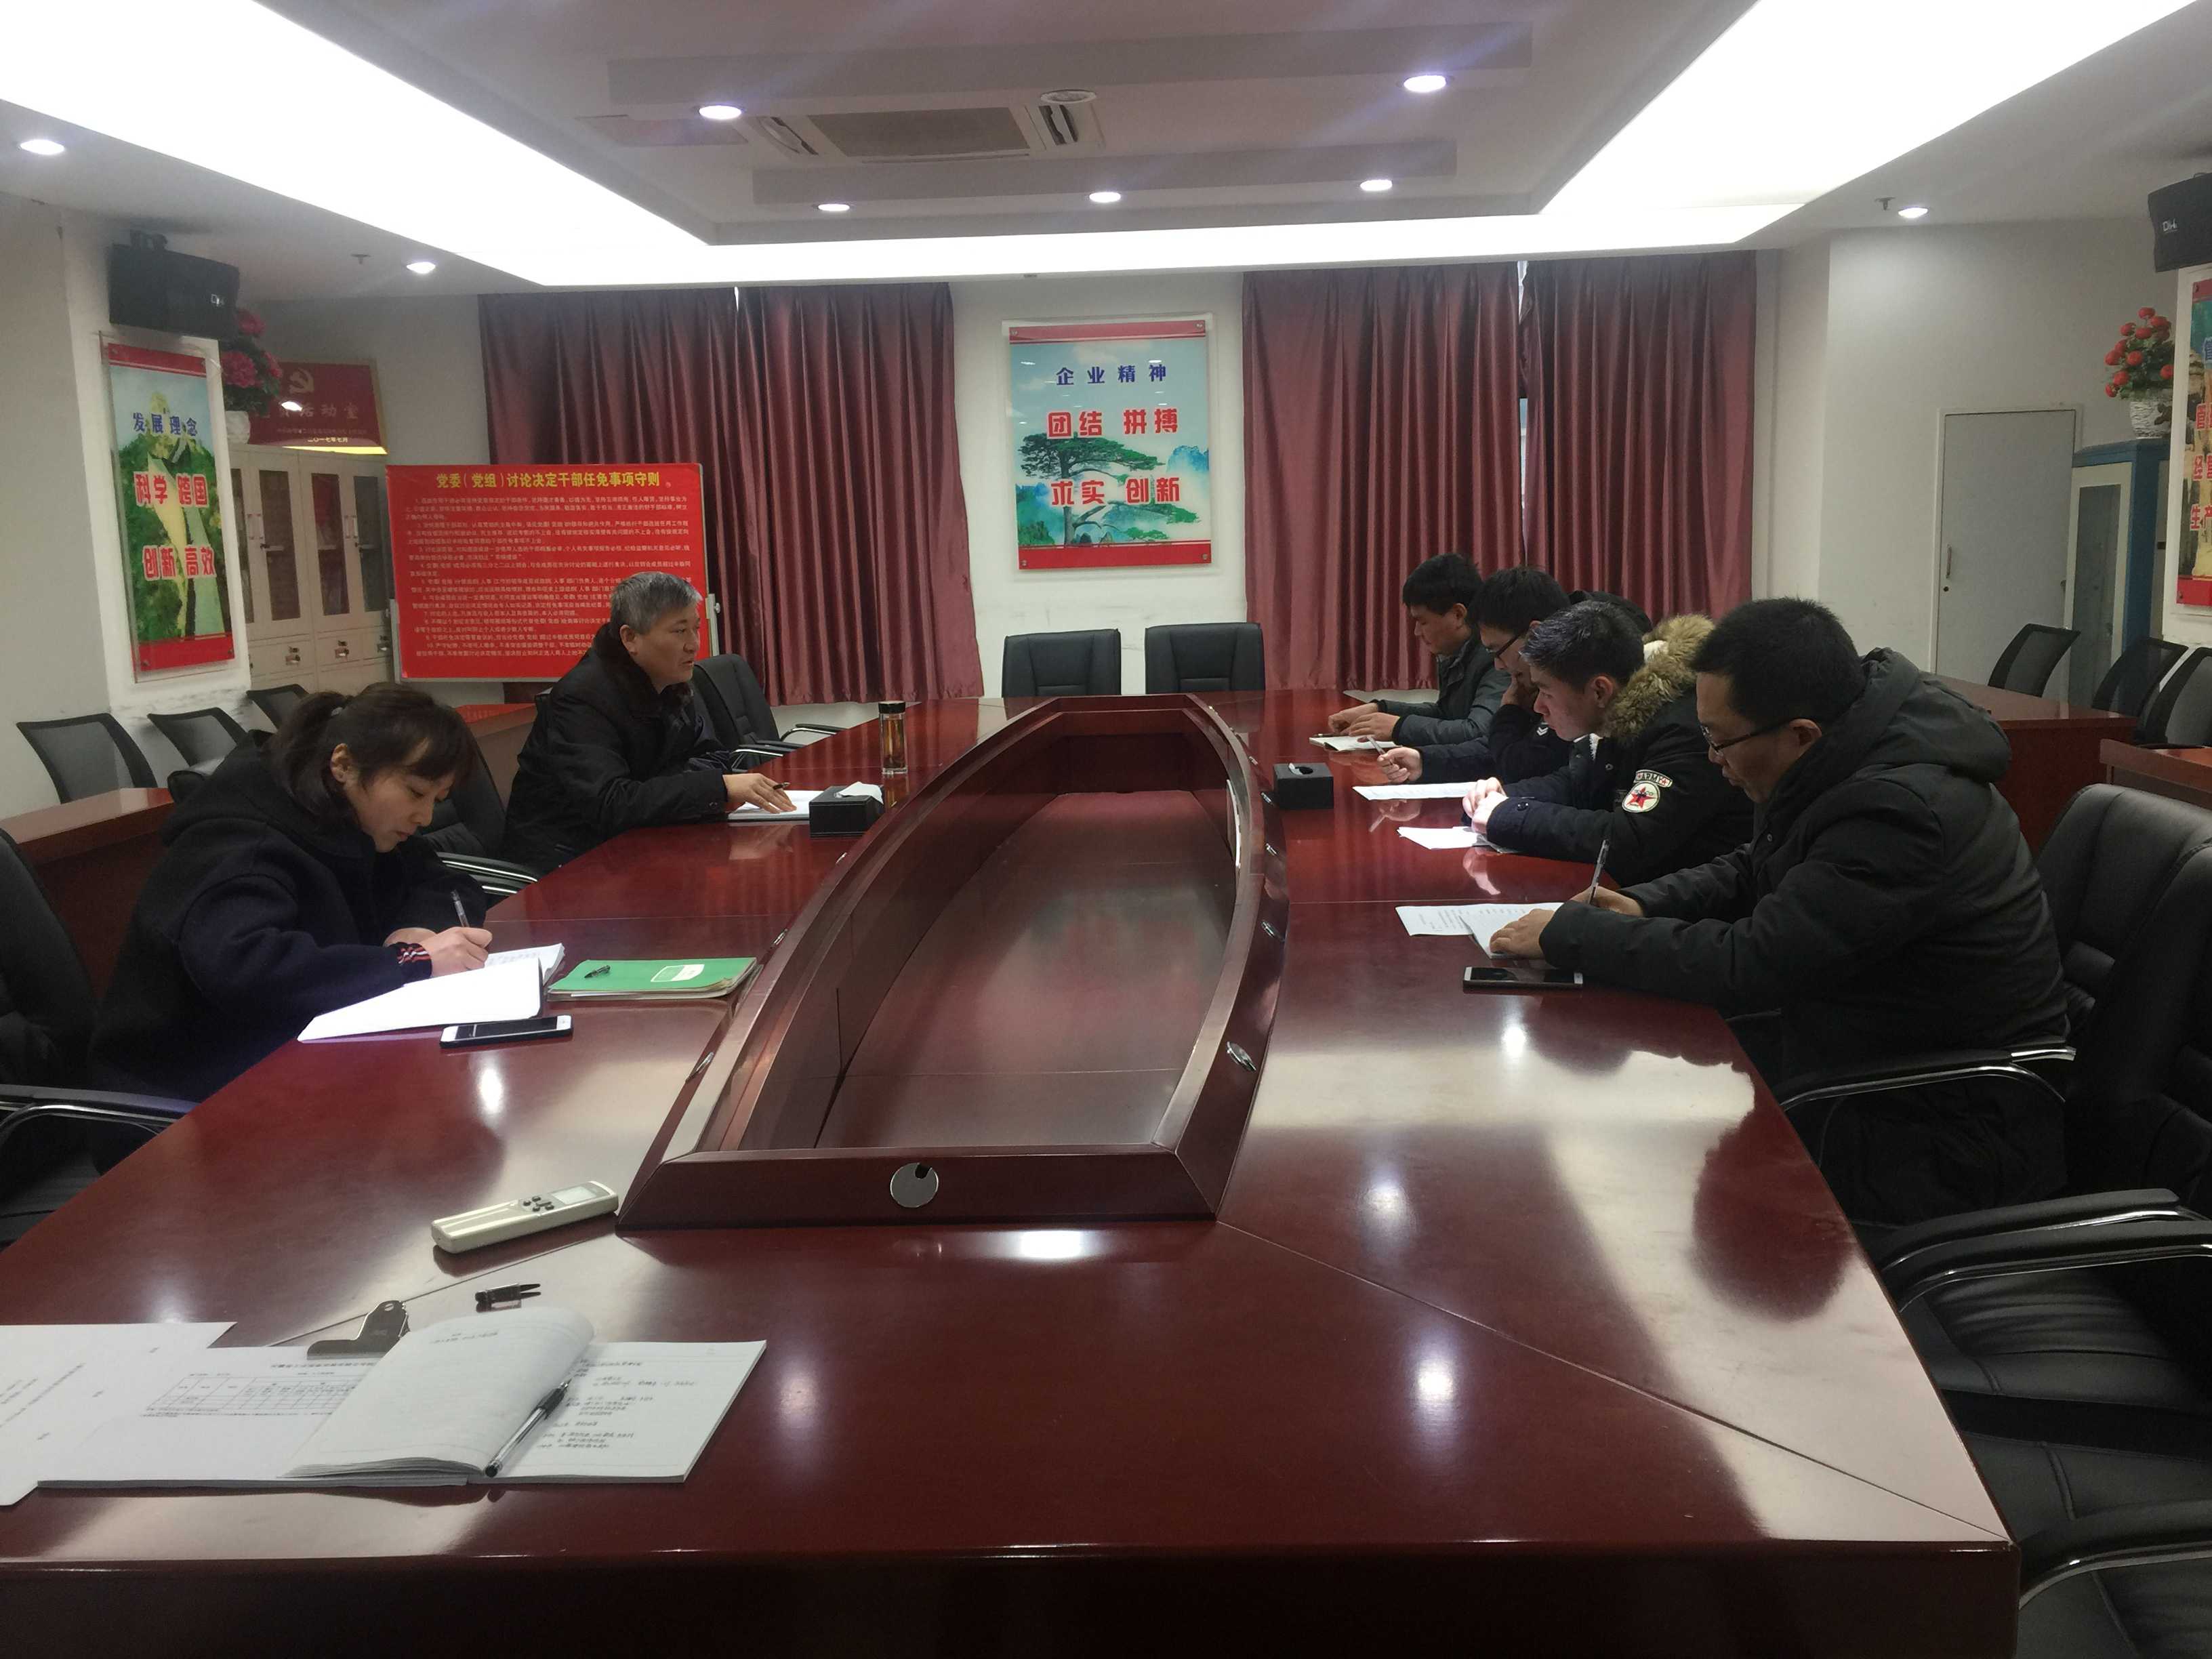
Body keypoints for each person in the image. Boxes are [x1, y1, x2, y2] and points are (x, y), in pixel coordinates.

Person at [1489, 598, 2070, 1224]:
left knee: (1640, 1193)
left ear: (1800, 734)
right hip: (1858, 1060)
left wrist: (1579, 934)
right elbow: (1755, 864)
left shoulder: (1899, 812)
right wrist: (1641, 902)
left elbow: (1752, 963)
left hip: (1939, 1128)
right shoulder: (1841, 755)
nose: (1711, 758)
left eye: (1719, 740)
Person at [91, 685, 496, 1101]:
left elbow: (446, 884)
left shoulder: (354, 819)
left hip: (305, 1058)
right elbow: (249, 972)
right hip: (195, 1093)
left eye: (437, 799)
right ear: (344, 765)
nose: (425, 816)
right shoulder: (241, 842)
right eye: (415, 792)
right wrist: (410, 961)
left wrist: (418, 929)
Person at [501, 572, 794, 874]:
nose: (693, 645)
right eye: (679, 631)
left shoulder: (670, 680)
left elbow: (714, 755)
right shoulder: (581, 698)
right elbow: (611, 803)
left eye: (695, 629)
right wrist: (716, 787)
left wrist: (667, 788)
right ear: (631, 638)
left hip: (643, 839)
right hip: (571, 860)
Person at [1464, 600, 1750, 884]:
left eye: (1546, 693)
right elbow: (1578, 782)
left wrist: (1511, 816)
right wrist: (1504, 795)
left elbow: (1629, 839)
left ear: (1599, 691)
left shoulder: (1681, 727)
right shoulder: (1622, 708)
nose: (1538, 707)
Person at [1376, 565, 1578, 787]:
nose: (1498, 666)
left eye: (1498, 651)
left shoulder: (1577, 687)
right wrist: (1425, 761)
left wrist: (1509, 713)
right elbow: (1495, 752)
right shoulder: (1530, 683)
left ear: (1535, 635)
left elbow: (1525, 769)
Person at [1326, 553, 1508, 747]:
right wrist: (1380, 709)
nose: (1417, 632)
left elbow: (1478, 731)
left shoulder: (1497, 658)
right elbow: (1446, 715)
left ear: (1458, 614)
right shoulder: (1456, 652)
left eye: (1423, 622)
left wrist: (1399, 727)